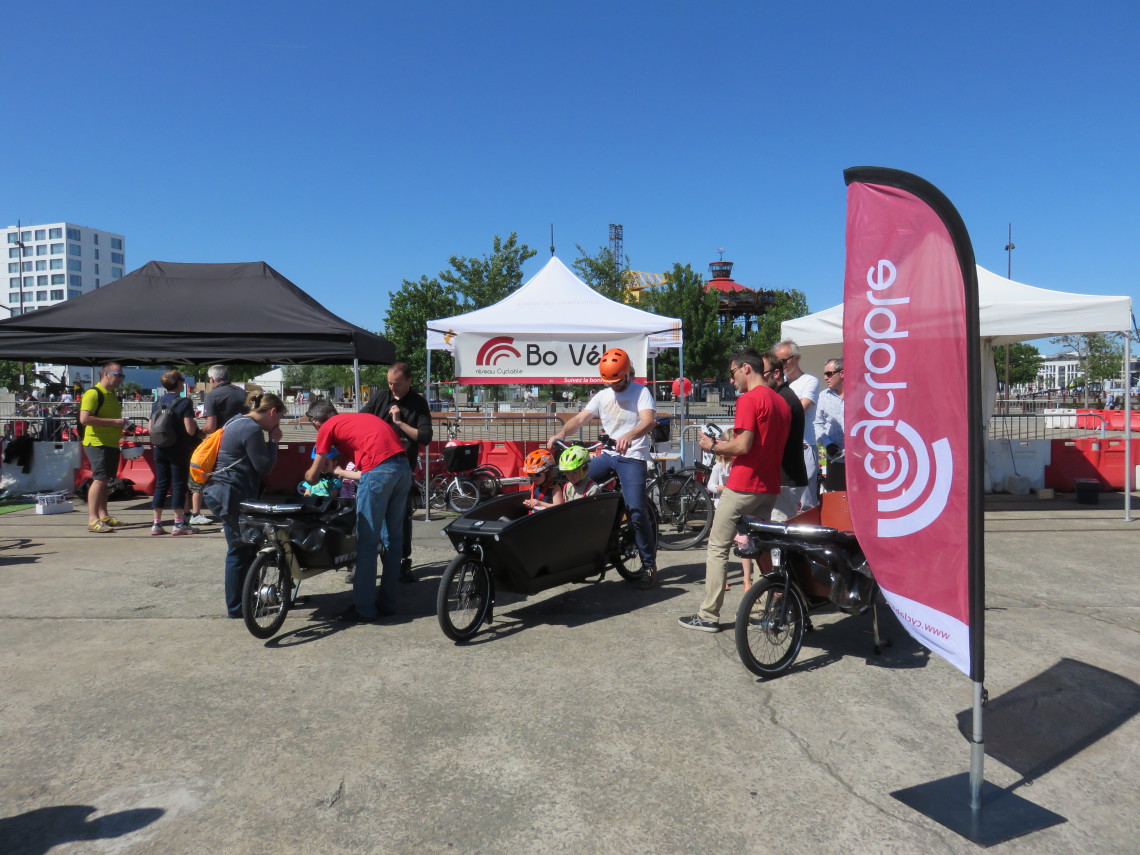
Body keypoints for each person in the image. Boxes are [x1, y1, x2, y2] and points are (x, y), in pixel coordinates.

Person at [679, 349, 790, 632]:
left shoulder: (750, 399)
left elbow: (742, 447)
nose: (731, 380)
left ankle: (708, 615)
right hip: (769, 485)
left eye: (733, 372)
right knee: (762, 547)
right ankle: (779, 607)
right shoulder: (781, 403)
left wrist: (713, 446)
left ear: (746, 369)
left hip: (743, 484)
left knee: (718, 547)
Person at [547, 348, 658, 588]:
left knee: (636, 510)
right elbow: (580, 418)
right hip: (607, 455)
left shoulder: (641, 392)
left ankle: (649, 565)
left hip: (632, 456)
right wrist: (562, 432)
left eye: (618, 381)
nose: (615, 386)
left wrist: (629, 435)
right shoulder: (602, 396)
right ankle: (582, 556)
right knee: (573, 486)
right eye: (610, 382)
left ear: (628, 373)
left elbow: (648, 421)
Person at [305, 400, 411, 623]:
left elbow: (314, 474)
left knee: (366, 542)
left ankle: (364, 608)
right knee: (393, 538)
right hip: (403, 469)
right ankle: (387, 602)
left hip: (380, 472)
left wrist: (309, 477)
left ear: (316, 422)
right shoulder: (358, 419)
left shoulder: (326, 427)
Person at [202, 392, 286, 618]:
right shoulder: (251, 429)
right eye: (279, 418)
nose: (277, 424)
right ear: (272, 412)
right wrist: (274, 441)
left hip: (222, 492)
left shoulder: (235, 420)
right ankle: (238, 607)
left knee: (246, 549)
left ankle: (247, 599)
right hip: (231, 494)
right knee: (239, 550)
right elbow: (264, 466)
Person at [361, 362, 434, 583]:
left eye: (398, 384)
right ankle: (364, 563)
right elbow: (362, 420)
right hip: (375, 466)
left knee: (400, 518)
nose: (393, 388)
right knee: (368, 517)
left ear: (409, 381)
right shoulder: (381, 398)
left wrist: (400, 423)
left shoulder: (418, 403)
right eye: (390, 383)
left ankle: (402, 561)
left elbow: (424, 437)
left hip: (402, 468)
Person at [188, 366, 248, 526]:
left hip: (221, 442)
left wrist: (199, 433)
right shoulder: (242, 393)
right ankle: (239, 516)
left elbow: (211, 425)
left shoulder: (212, 395)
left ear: (212, 380)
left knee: (218, 481)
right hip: (243, 440)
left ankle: (224, 519)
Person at [150, 370, 203, 536]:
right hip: (178, 449)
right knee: (179, 485)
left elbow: (151, 427)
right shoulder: (184, 402)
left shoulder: (157, 402)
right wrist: (195, 424)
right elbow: (189, 429)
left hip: (160, 448)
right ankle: (178, 523)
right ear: (179, 383)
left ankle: (156, 524)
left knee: (161, 484)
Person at [79, 363, 129, 533]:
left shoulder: (112, 394)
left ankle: (103, 515)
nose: (121, 379)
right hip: (97, 443)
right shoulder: (93, 393)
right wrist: (114, 422)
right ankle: (93, 519)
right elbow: (84, 419)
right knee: (99, 479)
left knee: (105, 480)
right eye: (119, 375)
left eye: (123, 376)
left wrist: (121, 424)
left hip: (110, 443)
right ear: (107, 374)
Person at [775, 340, 820, 510]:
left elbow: (800, 408)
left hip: (804, 444)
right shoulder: (779, 383)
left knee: (806, 500)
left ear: (796, 358)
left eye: (784, 360)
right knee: (784, 499)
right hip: (784, 446)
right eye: (777, 361)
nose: (782, 365)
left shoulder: (810, 381)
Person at [706, 428, 754, 591]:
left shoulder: (741, 465)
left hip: (740, 509)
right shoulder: (720, 466)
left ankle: (747, 580)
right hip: (722, 507)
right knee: (722, 546)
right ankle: (722, 578)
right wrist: (720, 488)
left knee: (744, 543)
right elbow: (710, 485)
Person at [814, 357, 845, 453]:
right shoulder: (823, 396)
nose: (825, 378)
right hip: (835, 458)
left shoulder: (860, 395)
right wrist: (828, 444)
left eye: (829, 374)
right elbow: (817, 424)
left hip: (860, 459)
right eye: (825, 374)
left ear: (842, 373)